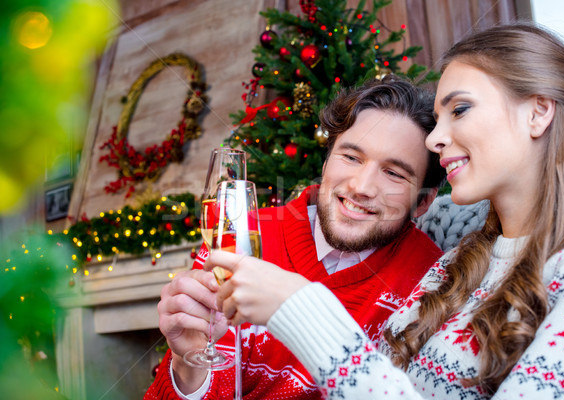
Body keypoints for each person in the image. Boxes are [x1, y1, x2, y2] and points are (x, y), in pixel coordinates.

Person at [208, 23, 564, 399]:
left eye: (460, 109)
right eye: (350, 157)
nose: (434, 138)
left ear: (538, 112)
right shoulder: (453, 267)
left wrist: (300, 309)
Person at [144, 75, 447, 399]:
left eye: (394, 173)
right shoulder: (242, 235)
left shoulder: (433, 280)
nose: (361, 186)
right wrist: (188, 364)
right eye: (351, 157)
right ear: (327, 160)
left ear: (424, 201)